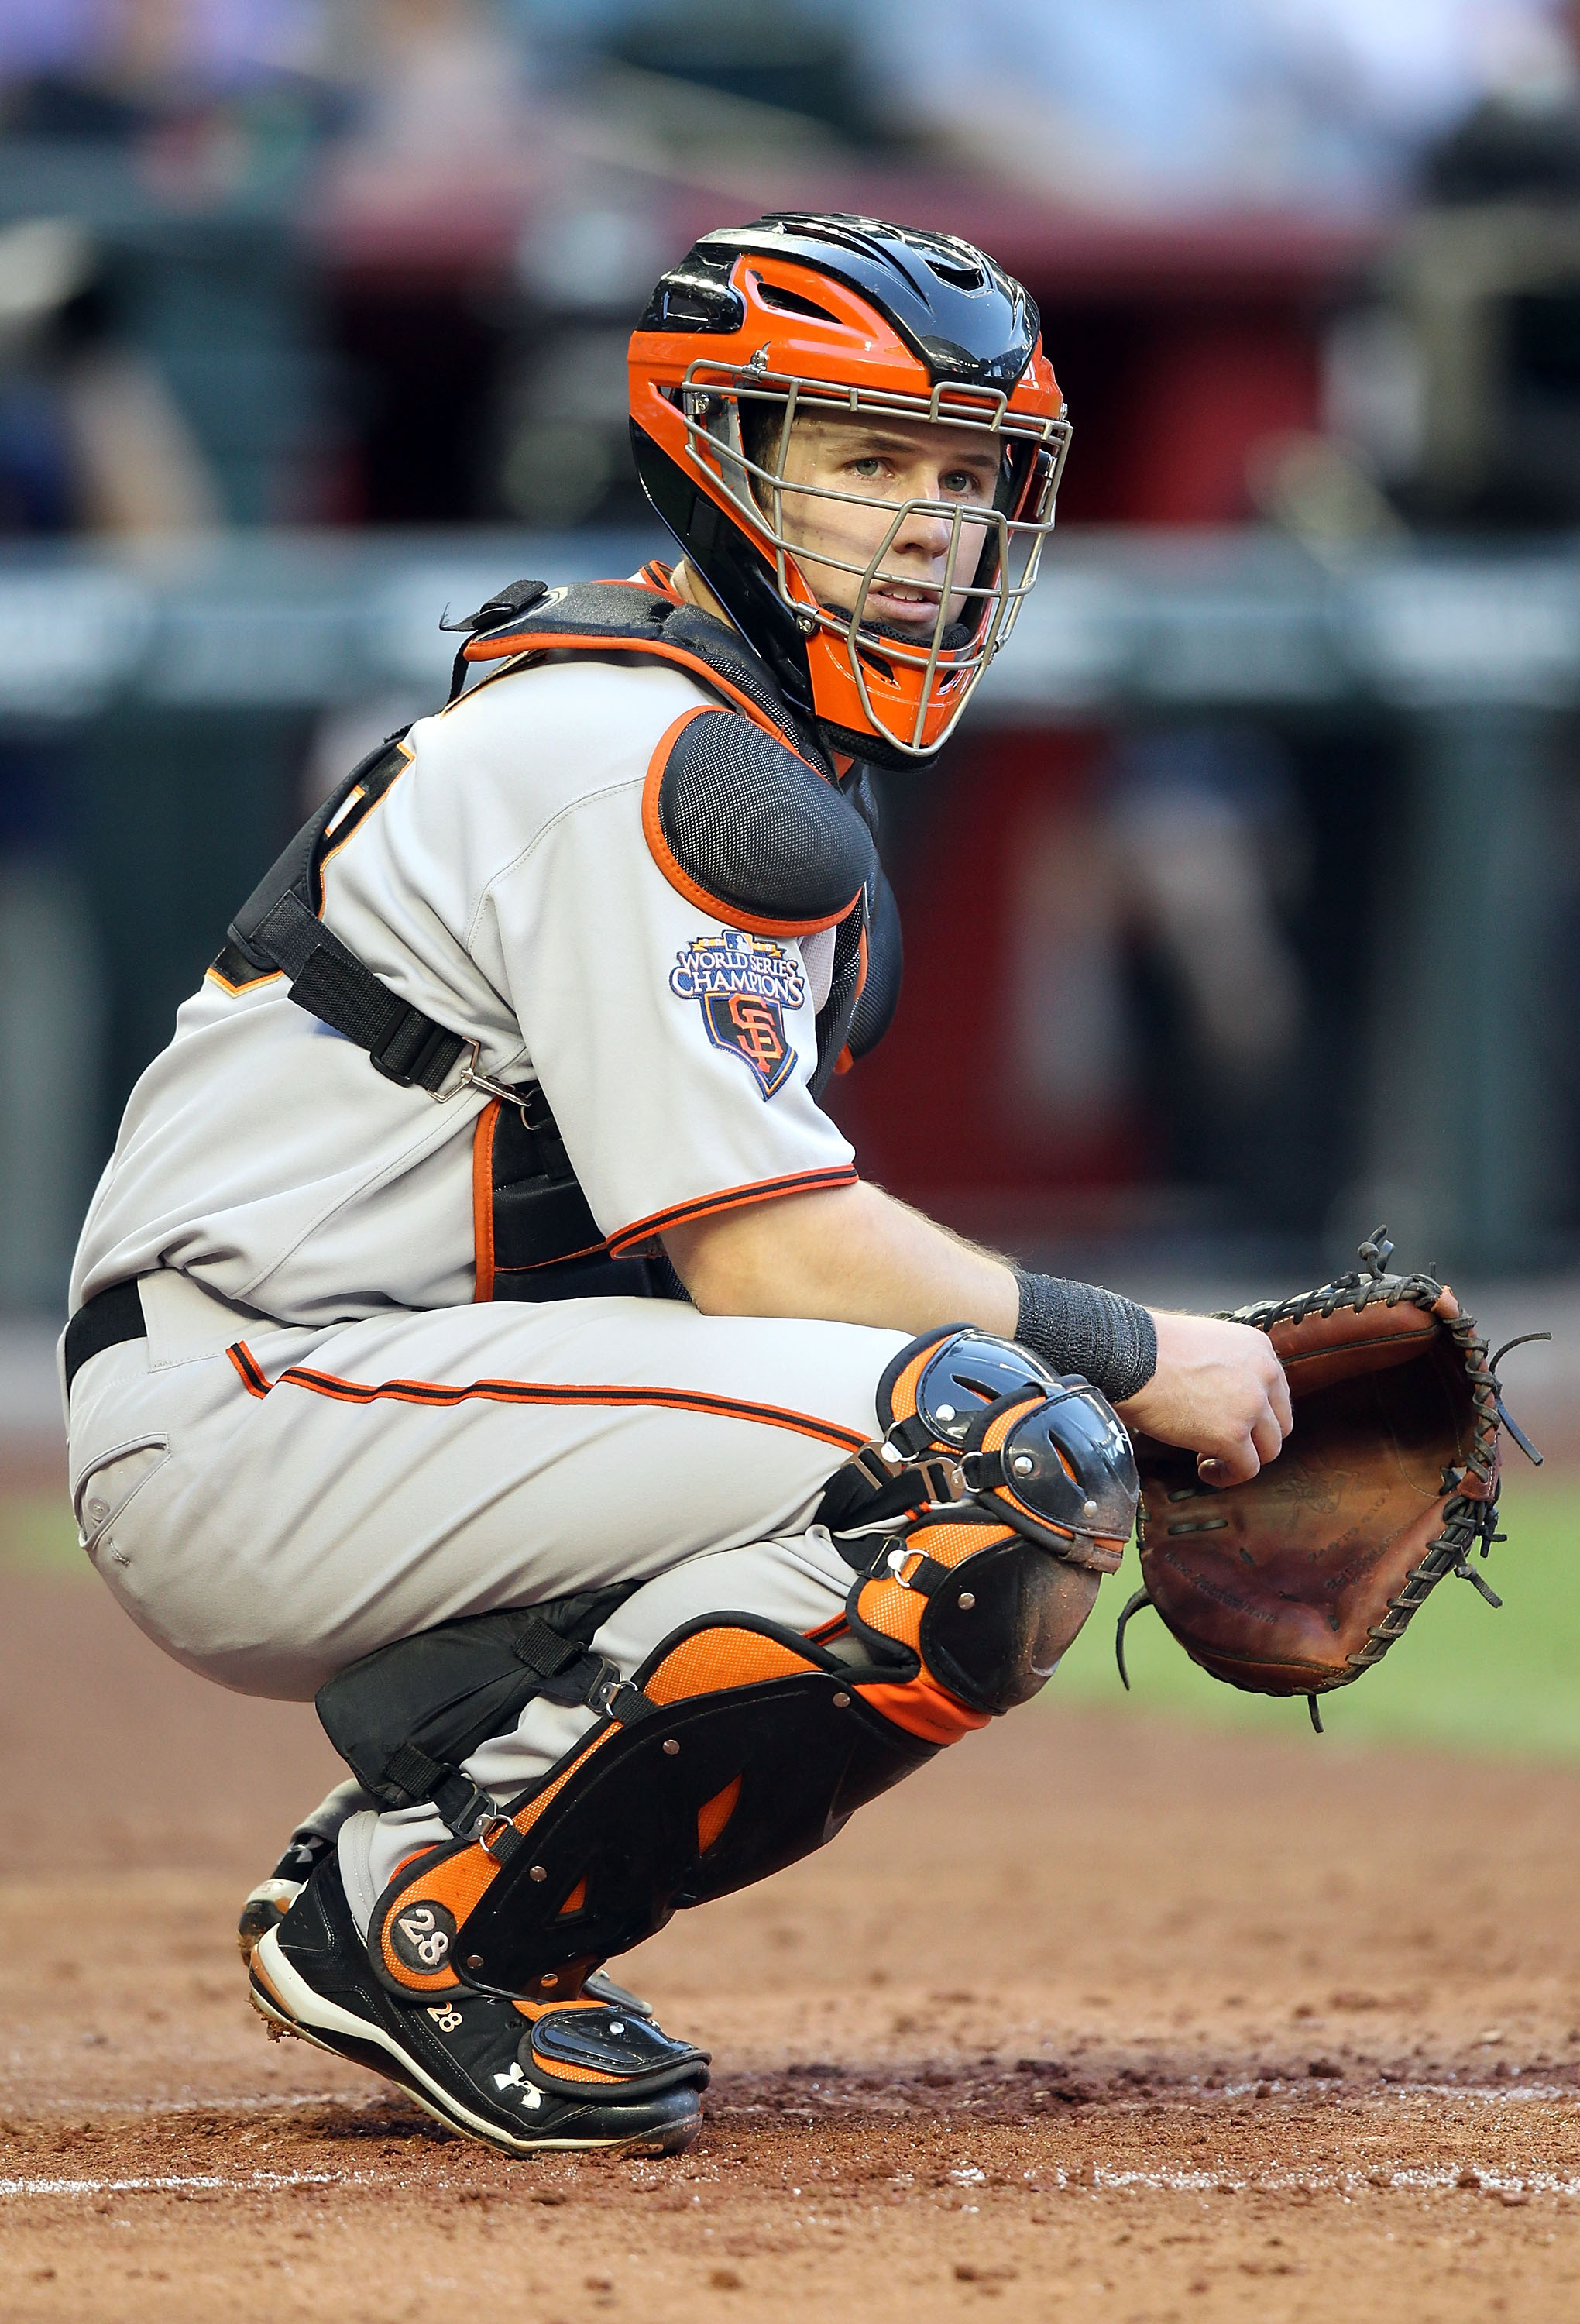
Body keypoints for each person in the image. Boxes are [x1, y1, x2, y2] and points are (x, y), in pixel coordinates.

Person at [62, 214, 1289, 2159]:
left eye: (965, 478)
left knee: (993, 1430)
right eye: (864, 459)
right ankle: (427, 1915)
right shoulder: (639, 748)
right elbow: (772, 1251)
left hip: (378, 1388)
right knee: (1005, 1452)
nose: (928, 525)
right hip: (265, 1402)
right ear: (722, 452)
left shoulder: (713, 736)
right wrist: (1150, 1355)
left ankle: (426, 1833)